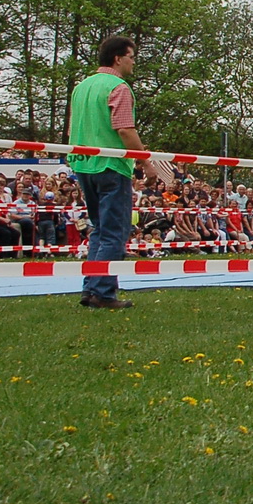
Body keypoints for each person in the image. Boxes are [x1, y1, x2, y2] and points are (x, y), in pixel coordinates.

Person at [66, 36, 170, 309]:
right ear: (118, 58)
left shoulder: (81, 87)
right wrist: (146, 163)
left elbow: (72, 128)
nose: (133, 62)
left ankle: (91, 288)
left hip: (83, 165)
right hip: (111, 165)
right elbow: (124, 129)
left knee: (100, 229)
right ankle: (103, 292)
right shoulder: (119, 87)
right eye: (131, 57)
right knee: (115, 230)